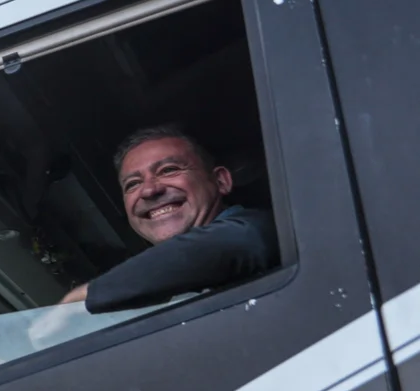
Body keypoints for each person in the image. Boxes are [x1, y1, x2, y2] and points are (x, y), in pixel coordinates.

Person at [61, 127, 276, 313]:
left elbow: (222, 245)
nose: (149, 190)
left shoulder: (254, 227)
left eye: (168, 170)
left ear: (220, 181)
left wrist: (80, 300)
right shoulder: (157, 284)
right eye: (133, 184)